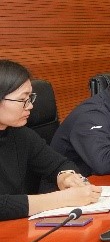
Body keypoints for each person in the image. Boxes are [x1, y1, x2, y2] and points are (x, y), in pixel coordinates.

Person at [0, 60, 102, 220]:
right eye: (23, 99)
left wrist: (65, 176)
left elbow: (59, 163)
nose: (30, 106)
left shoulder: (20, 134)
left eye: (30, 98)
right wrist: (62, 199)